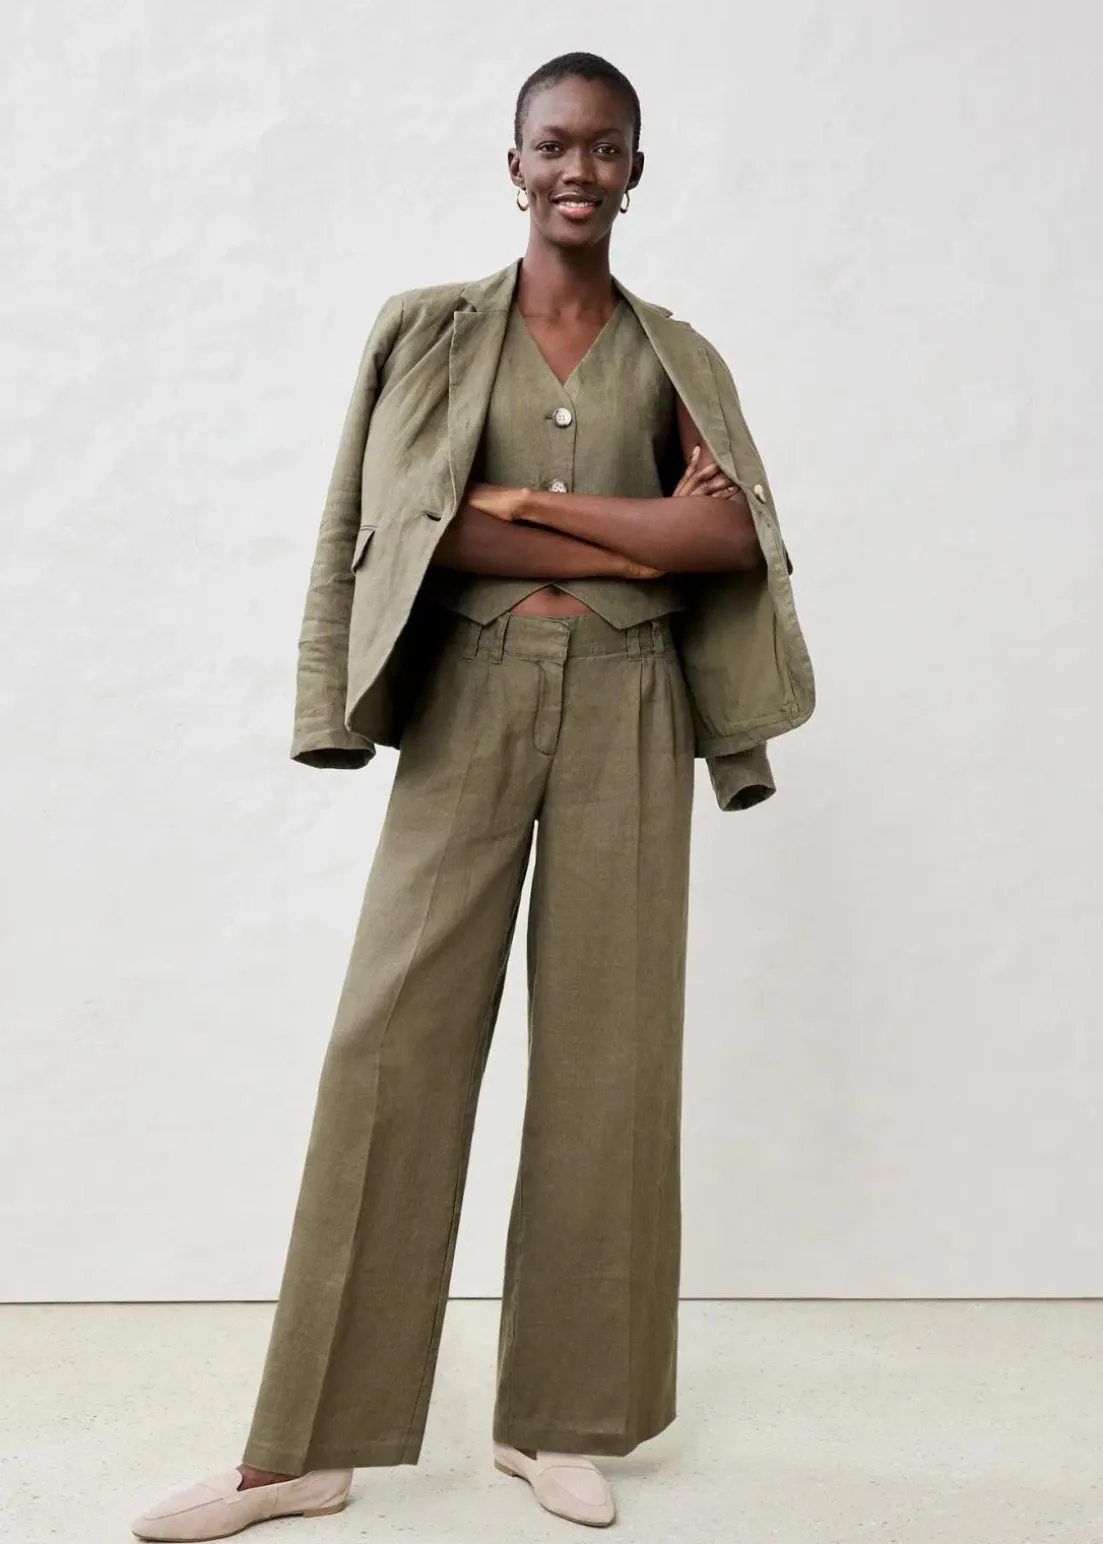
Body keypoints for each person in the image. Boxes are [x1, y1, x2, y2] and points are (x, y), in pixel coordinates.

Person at [131, 49, 814, 1542]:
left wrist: (519, 507)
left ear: (637, 171)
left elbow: (729, 544)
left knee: (608, 1063)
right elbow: (411, 530)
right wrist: (624, 530)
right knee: (388, 1044)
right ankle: (303, 1448)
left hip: (633, 703)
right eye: (554, 145)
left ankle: (557, 1420)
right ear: (513, 166)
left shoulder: (677, 355)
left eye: (606, 147)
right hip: (468, 699)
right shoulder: (430, 333)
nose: (579, 169)